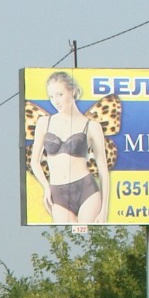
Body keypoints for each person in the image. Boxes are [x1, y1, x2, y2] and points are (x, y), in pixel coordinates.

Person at [28, 70, 108, 224]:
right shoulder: (44, 123)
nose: (55, 101)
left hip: (86, 189)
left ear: (72, 91)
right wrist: (46, 187)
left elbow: (103, 169)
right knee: (66, 239)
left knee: (91, 237)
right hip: (58, 191)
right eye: (51, 97)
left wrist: (104, 209)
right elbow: (34, 162)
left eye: (59, 95)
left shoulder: (91, 126)